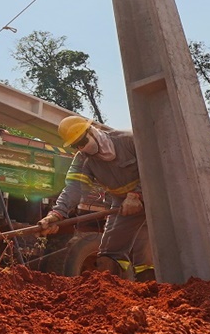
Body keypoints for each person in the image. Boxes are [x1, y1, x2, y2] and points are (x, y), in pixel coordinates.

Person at [36, 115, 153, 281]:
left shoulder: (128, 140)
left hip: (157, 197)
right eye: (76, 146)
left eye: (83, 142)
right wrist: (56, 214)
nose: (82, 148)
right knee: (110, 256)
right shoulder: (84, 159)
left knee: (149, 253)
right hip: (122, 204)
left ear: (91, 131)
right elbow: (75, 188)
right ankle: (124, 294)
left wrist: (137, 194)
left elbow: (154, 167)